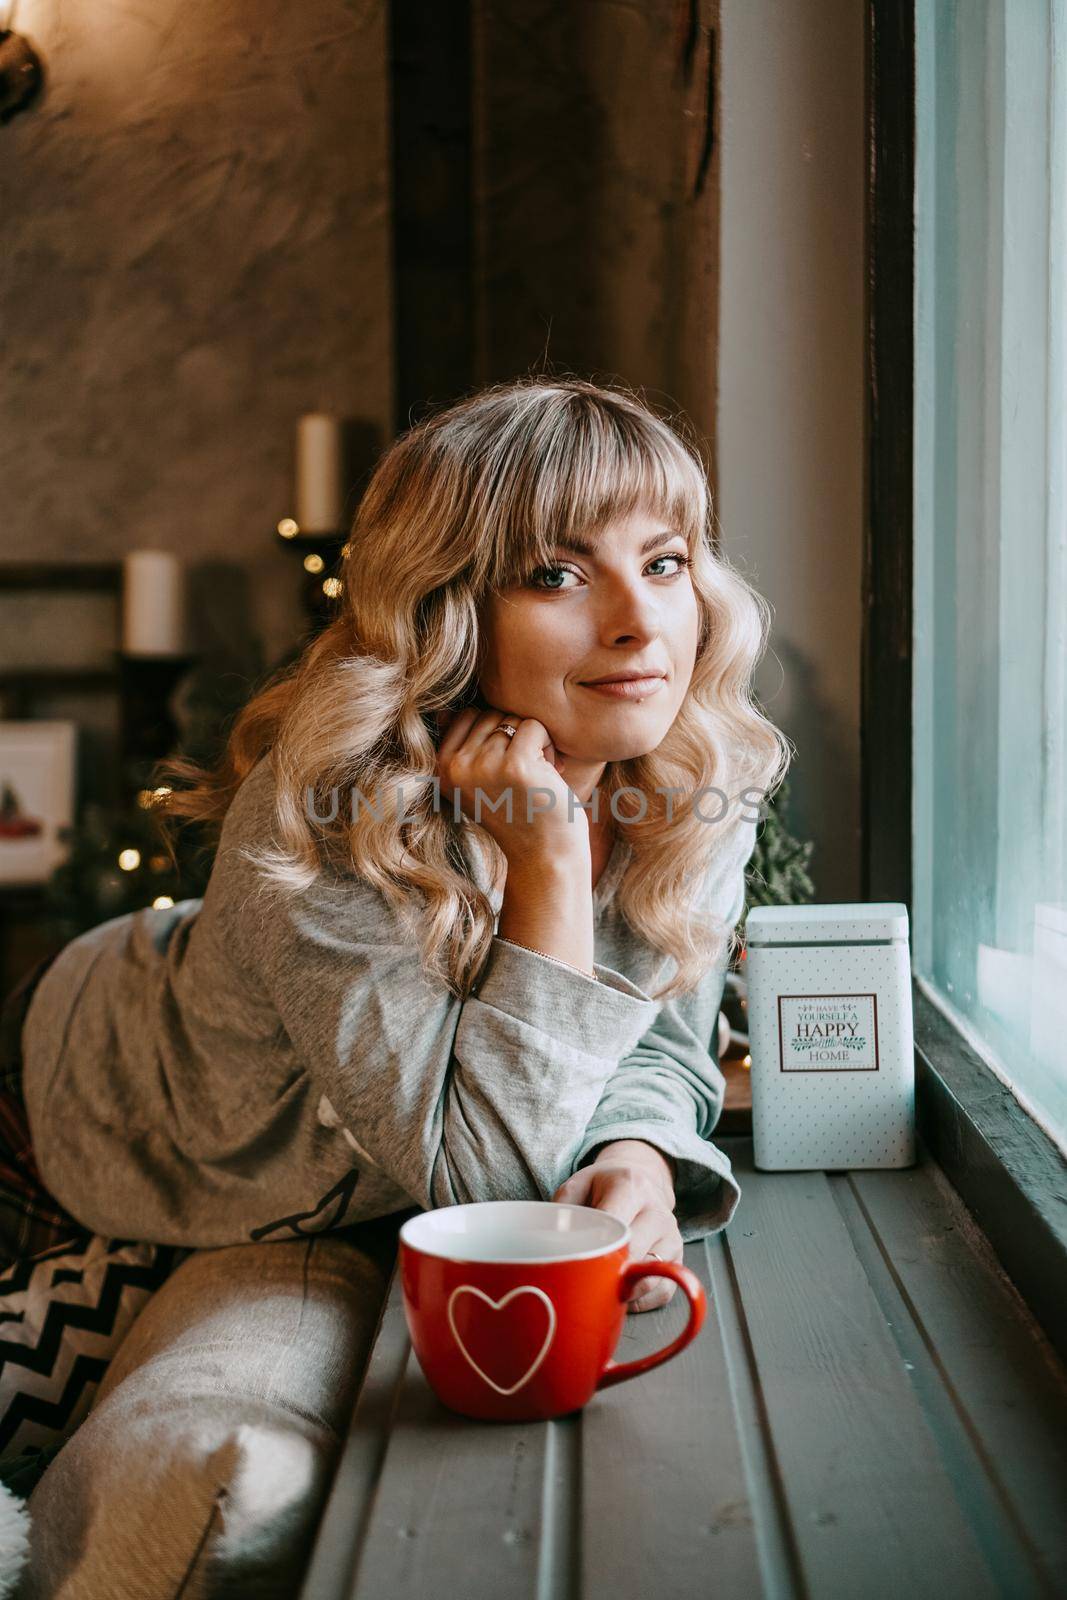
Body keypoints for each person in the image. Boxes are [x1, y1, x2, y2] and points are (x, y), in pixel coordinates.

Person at [0, 373, 790, 1474]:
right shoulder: (327, 813)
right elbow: (491, 1190)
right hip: (74, 1099)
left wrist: (639, 1150)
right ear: (448, 608)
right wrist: (548, 863)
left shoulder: (697, 776)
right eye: (556, 573)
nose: (635, 618)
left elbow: (661, 1036)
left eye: (662, 561)